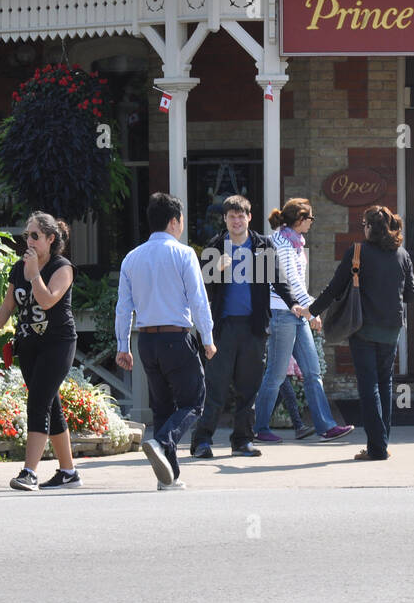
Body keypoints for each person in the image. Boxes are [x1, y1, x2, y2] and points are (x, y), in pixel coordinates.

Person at [115, 192, 216, 489]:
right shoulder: (184, 254)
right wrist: (207, 337)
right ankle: (161, 441)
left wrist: (123, 345)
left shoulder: (132, 257)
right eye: (181, 220)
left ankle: (168, 478)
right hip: (176, 337)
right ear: (174, 221)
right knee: (193, 403)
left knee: (162, 408)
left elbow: (123, 307)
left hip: (146, 341)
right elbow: (198, 300)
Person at [190, 195, 297, 459]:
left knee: (248, 387)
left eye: (241, 216)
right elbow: (200, 284)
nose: (236, 221)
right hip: (223, 328)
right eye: (231, 216)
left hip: (254, 327)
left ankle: (242, 440)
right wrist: (216, 267)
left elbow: (279, 280)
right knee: (216, 387)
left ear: (249, 218)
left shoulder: (262, 246)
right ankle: (202, 441)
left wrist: (294, 304)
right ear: (225, 219)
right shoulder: (215, 246)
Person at [0, 212, 81, 490]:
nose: (30, 241)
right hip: (29, 345)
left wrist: (35, 272)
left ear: (50, 239)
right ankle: (69, 472)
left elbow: (47, 301)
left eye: (35, 236)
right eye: (27, 235)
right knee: (52, 405)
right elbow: (8, 306)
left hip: (58, 343)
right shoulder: (19, 267)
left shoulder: (62, 267)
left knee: (38, 402)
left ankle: (29, 472)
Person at [308, 205, 414, 461]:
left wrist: (312, 311)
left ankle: (376, 447)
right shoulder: (403, 255)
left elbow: (334, 288)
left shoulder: (357, 252)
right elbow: (410, 296)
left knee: (369, 387)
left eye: (364, 224)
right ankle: (382, 443)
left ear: (369, 227)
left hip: (363, 328)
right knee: (384, 384)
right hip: (391, 329)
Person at [251, 198, 353, 444]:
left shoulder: (294, 242)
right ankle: (259, 428)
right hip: (283, 313)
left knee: (312, 371)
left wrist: (308, 310)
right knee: (275, 375)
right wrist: (314, 311)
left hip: (297, 313)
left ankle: (325, 427)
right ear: (299, 219)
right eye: (310, 218)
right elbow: (292, 282)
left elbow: (297, 283)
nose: (312, 223)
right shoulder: (282, 243)